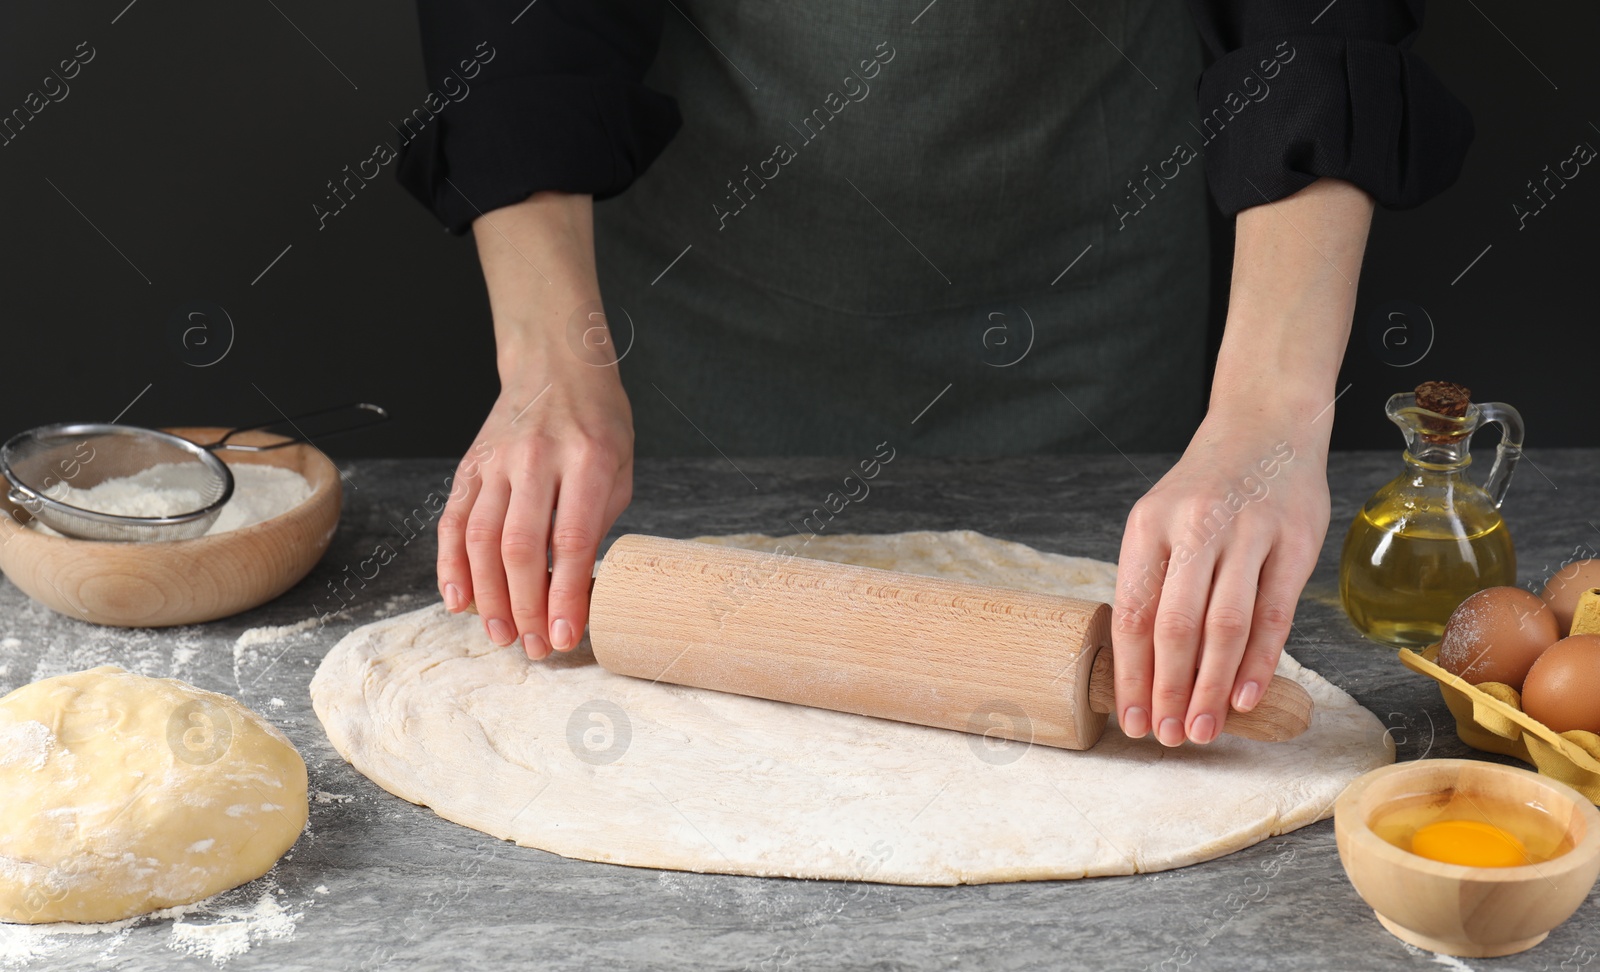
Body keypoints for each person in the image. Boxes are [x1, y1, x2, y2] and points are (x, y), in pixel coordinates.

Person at [396, 1, 1471, 747]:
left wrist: (1267, 405)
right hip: (697, 288)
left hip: (1085, 280)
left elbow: (1310, 15)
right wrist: (547, 359)